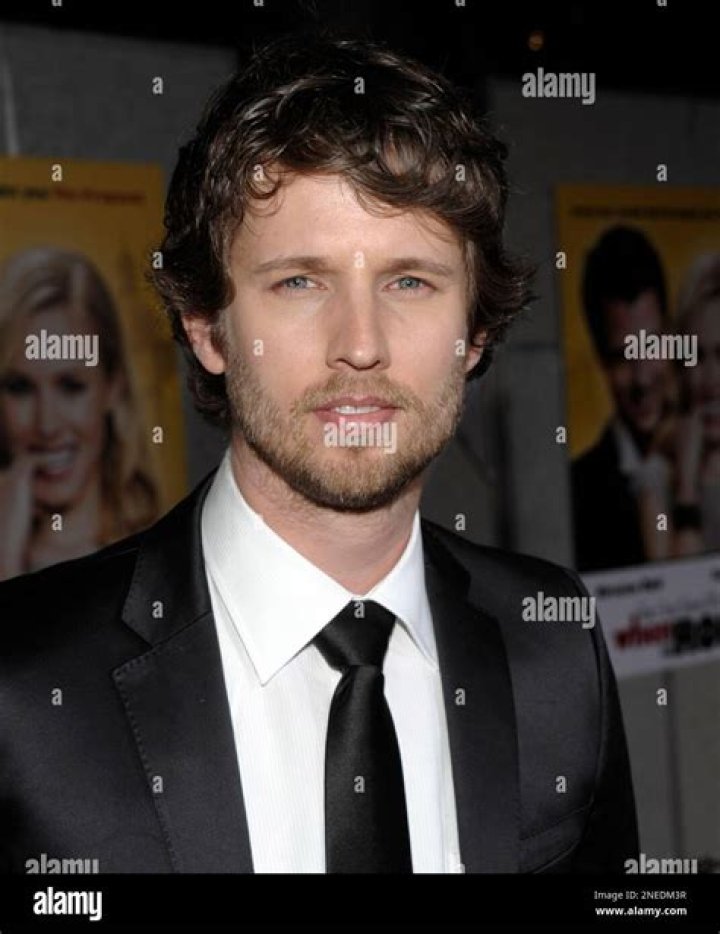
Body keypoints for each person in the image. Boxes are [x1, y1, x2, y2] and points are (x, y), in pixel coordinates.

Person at [0, 32, 639, 874]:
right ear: (207, 326)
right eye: (300, 281)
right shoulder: (21, 686)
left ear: (476, 332)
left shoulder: (554, 644)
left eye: (410, 281)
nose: (361, 344)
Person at [0, 246, 160, 581]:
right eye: (20, 387)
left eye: (71, 386)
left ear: (113, 386)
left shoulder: (164, 558)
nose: (47, 425)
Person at [571, 225, 674, 571]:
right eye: (622, 358)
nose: (642, 380)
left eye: (651, 347)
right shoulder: (577, 491)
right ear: (600, 360)